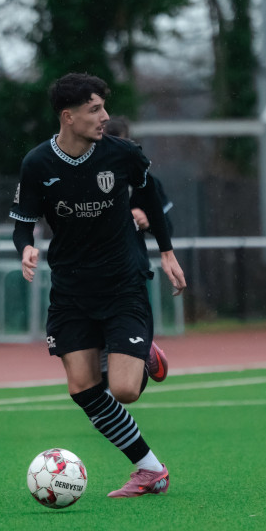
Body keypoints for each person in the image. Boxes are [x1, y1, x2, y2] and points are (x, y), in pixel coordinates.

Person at [10, 73, 187, 498]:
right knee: (83, 389)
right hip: (71, 290)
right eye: (95, 109)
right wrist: (26, 247)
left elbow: (151, 201)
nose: (105, 116)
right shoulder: (37, 163)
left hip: (122, 282)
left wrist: (166, 252)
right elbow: (22, 222)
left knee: (124, 390)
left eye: (104, 107)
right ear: (68, 117)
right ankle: (150, 469)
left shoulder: (123, 154)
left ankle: (140, 353)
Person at [100, 116, 171, 381]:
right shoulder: (84, 177)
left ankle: (137, 347)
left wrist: (147, 220)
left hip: (127, 268)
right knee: (93, 360)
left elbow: (167, 227)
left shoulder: (144, 180)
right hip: (88, 267)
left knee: (115, 349)